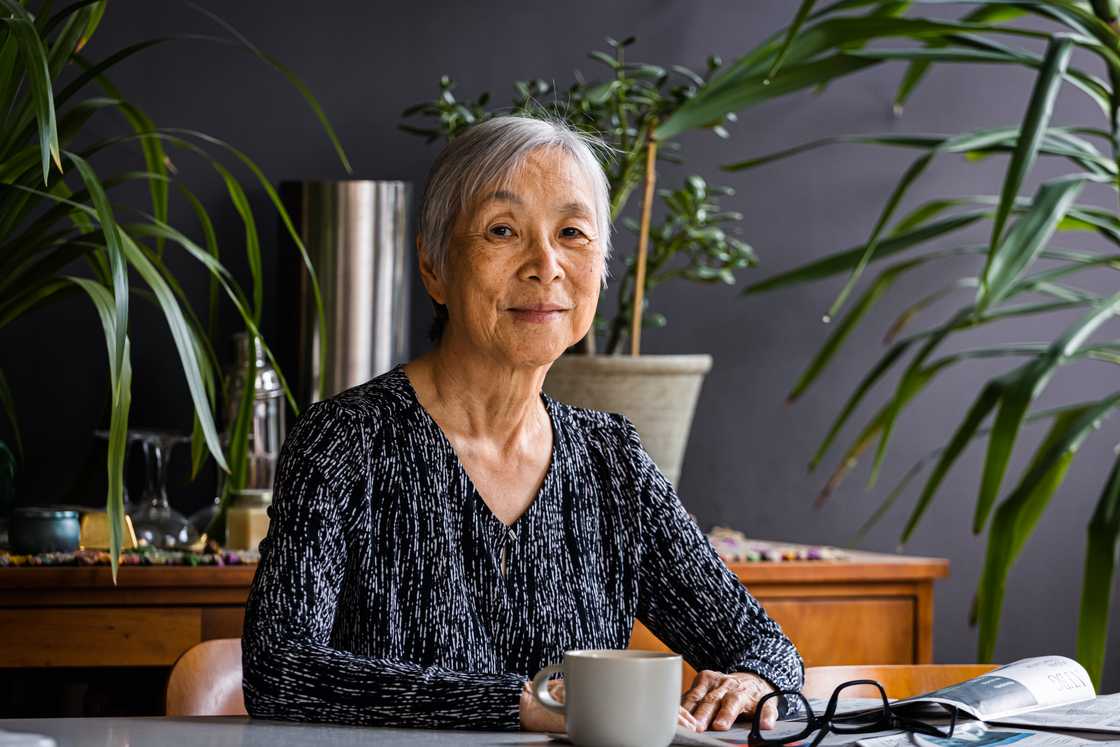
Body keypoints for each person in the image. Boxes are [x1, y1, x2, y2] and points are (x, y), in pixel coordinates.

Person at [241, 114, 803, 733]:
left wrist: (751, 681)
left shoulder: (611, 461)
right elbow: (280, 672)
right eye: (502, 230)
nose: (546, 265)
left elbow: (762, 646)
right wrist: (527, 704)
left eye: (572, 233)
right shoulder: (347, 440)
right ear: (433, 266)